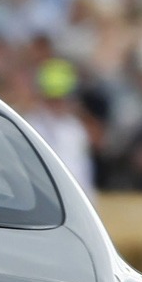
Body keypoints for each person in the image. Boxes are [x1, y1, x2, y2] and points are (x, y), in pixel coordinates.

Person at [23, 55, 93, 193]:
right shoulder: (29, 126)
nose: (58, 104)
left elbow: (83, 176)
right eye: (53, 99)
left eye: (62, 98)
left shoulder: (76, 130)